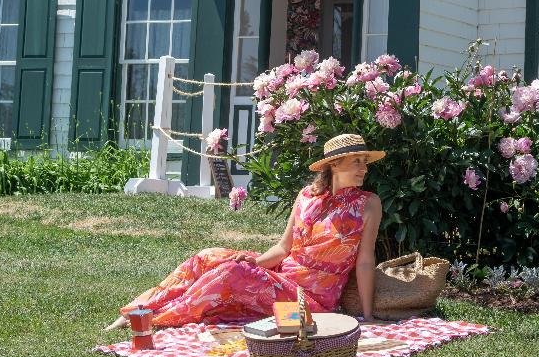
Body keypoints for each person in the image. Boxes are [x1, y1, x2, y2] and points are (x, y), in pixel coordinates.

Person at [104, 132, 383, 331]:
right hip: (281, 277)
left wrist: (368, 315)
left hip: (310, 300)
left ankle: (155, 318)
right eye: (357, 161)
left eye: (364, 161)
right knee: (209, 256)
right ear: (334, 165)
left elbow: (365, 261)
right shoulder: (308, 196)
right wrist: (256, 263)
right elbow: (283, 248)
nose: (364, 168)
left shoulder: (368, 204)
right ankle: (138, 309)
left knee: (232, 274)